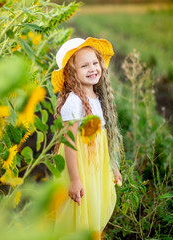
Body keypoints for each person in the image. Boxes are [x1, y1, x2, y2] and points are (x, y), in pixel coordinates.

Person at [51, 37, 123, 239]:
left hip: (96, 165)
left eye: (94, 62)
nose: (92, 68)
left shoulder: (97, 98)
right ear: (71, 74)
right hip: (80, 166)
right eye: (84, 65)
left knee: (95, 206)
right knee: (81, 211)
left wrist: (112, 166)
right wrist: (74, 180)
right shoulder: (73, 103)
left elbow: (100, 139)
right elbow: (70, 143)